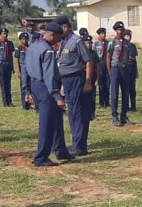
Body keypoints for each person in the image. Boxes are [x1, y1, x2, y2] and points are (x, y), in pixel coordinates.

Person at [23, 22, 75, 167]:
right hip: (46, 89)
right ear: (52, 35)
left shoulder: (33, 46)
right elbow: (49, 76)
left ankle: (61, 150)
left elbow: (25, 69)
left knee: (57, 119)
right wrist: (57, 97)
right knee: (46, 123)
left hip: (35, 85)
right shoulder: (48, 51)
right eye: (58, 38)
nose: (59, 41)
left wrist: (26, 90)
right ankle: (41, 157)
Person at [56, 16, 93, 157]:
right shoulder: (63, 42)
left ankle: (79, 146)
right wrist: (62, 85)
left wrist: (88, 82)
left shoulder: (76, 41)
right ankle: (79, 145)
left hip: (76, 79)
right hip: (67, 81)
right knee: (73, 113)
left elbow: (88, 62)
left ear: (65, 27)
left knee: (76, 113)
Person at [107, 22, 133, 126]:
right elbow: (108, 56)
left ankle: (124, 115)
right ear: (115, 30)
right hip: (115, 68)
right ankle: (114, 115)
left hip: (125, 68)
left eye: (122, 30)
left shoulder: (127, 43)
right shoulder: (112, 42)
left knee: (125, 93)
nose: (120, 31)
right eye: (118, 30)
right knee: (114, 93)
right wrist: (109, 71)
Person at [0, 28, 15, 107]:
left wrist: (12, 67)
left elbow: (11, 56)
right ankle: (5, 102)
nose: (5, 35)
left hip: (8, 64)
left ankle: (10, 101)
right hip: (1, 64)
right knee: (3, 84)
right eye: (3, 34)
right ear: (0, 35)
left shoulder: (10, 43)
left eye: (6, 33)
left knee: (8, 83)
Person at [83, 34, 99, 121]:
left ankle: (92, 114)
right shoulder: (81, 53)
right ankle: (85, 113)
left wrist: (97, 79)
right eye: (86, 43)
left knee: (92, 97)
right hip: (84, 78)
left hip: (93, 77)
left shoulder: (94, 53)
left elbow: (98, 66)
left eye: (90, 43)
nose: (88, 45)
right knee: (84, 97)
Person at [94, 28, 110, 108]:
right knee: (101, 85)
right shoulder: (96, 44)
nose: (104, 35)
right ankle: (101, 102)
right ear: (99, 35)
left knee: (107, 84)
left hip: (107, 64)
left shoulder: (108, 43)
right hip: (99, 64)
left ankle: (107, 102)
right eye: (102, 34)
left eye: (104, 34)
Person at [17, 32, 33, 110]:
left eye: (26, 39)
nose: (25, 40)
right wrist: (18, 71)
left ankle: (30, 103)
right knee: (24, 86)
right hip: (22, 69)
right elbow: (16, 60)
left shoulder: (30, 47)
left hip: (30, 69)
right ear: (20, 40)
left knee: (30, 86)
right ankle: (24, 105)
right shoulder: (19, 48)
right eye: (23, 39)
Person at [124, 30, 138, 112]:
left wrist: (136, 72)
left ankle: (133, 106)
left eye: (129, 36)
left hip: (132, 68)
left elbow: (135, 59)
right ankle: (126, 106)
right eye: (126, 36)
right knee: (125, 88)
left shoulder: (133, 46)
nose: (128, 38)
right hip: (125, 68)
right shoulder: (123, 45)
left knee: (132, 89)